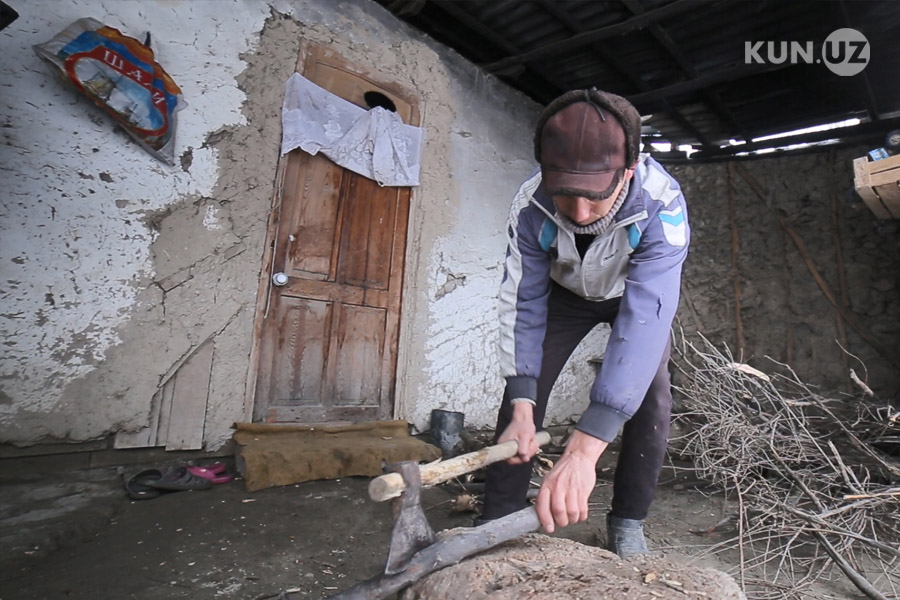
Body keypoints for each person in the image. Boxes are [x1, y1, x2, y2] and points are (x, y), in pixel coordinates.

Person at [480, 88, 690, 558]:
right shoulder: (530, 205)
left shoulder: (663, 205)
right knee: (523, 395)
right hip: (565, 294)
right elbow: (523, 301)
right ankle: (497, 517)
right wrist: (521, 400)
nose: (578, 214)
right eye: (566, 195)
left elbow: (647, 316)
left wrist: (584, 448)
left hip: (630, 299)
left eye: (595, 197)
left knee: (652, 396)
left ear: (628, 171)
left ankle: (628, 519)